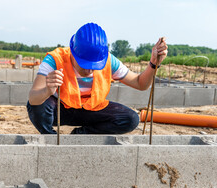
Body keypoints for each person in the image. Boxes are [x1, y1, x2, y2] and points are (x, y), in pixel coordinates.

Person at [27, 22, 168, 134]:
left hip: (92, 110)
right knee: (40, 104)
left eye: (94, 65)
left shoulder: (108, 60)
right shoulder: (55, 59)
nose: (89, 70)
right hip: (62, 109)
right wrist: (47, 90)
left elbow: (140, 83)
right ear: (73, 53)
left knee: (130, 119)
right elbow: (33, 99)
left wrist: (153, 64)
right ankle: (49, 138)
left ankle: (80, 135)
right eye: (84, 65)